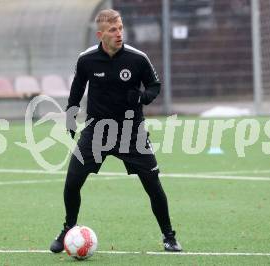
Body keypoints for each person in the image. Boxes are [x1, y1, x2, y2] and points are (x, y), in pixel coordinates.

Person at [49, 9, 182, 252]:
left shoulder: (137, 58)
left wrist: (143, 97)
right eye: (113, 30)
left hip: (132, 133)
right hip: (96, 132)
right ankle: (69, 228)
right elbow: (76, 90)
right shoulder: (87, 59)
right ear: (101, 34)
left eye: (120, 28)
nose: (119, 33)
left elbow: (154, 85)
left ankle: (169, 236)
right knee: (72, 183)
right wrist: (70, 116)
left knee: (153, 184)